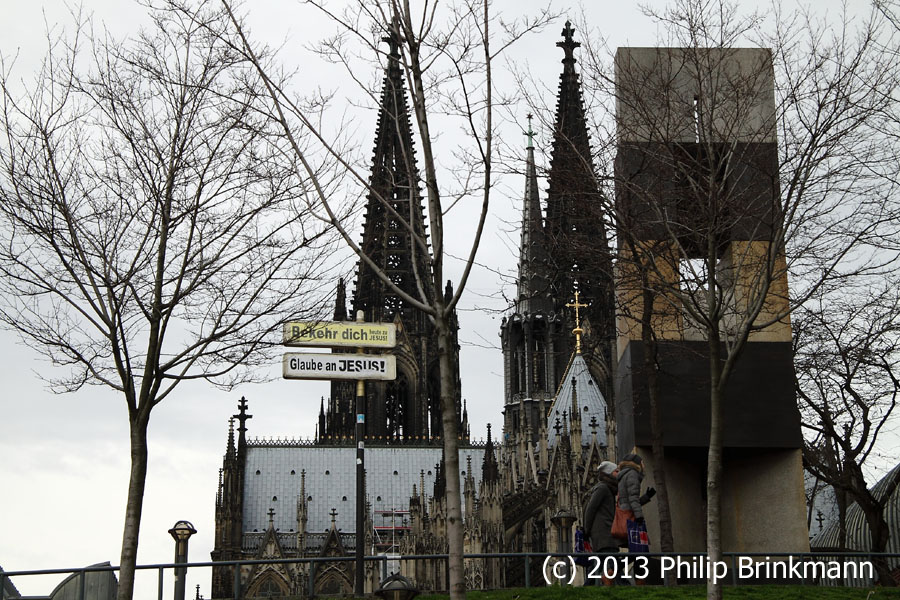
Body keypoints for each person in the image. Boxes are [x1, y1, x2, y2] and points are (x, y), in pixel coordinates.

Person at [617, 453, 656, 583]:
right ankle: (612, 570)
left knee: (638, 550)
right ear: (636, 464)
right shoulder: (632, 474)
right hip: (633, 519)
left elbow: (629, 500)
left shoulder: (625, 475)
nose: (644, 465)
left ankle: (639, 580)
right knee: (640, 551)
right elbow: (633, 499)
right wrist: (639, 517)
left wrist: (646, 497)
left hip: (629, 516)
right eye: (642, 462)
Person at [582, 460, 619, 585]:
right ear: (609, 473)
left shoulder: (609, 489)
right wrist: (586, 531)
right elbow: (590, 509)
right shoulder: (603, 488)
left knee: (597, 566)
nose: (618, 473)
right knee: (613, 566)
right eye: (616, 471)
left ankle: (586, 589)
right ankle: (625, 586)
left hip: (606, 534)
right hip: (604, 534)